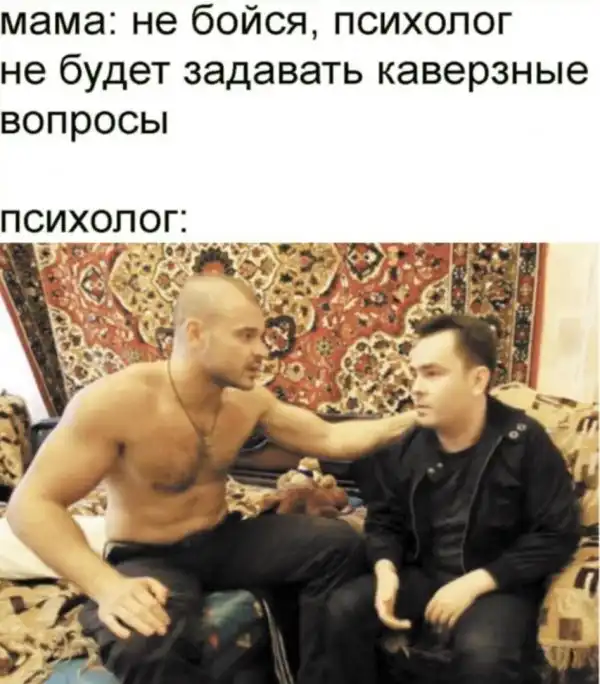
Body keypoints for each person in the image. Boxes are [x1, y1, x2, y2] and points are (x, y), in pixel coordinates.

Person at [6, 273, 417, 684]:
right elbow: (29, 505)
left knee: (341, 544)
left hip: (222, 539)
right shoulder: (115, 402)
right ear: (196, 333)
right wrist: (106, 586)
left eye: (262, 337)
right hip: (149, 555)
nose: (263, 351)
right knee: (140, 641)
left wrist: (416, 417)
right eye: (246, 336)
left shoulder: (247, 400)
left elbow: (330, 438)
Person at [326, 314, 580, 684]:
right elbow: (384, 519)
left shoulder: (524, 441)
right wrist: (386, 570)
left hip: (497, 584)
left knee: (484, 657)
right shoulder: (407, 445)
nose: (416, 388)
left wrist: (476, 582)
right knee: (343, 610)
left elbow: (557, 534)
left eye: (432, 374)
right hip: (425, 574)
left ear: (478, 380)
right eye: (415, 374)